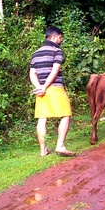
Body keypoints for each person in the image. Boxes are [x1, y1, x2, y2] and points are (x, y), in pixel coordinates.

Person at [29, 26, 75, 157]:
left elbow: (32, 73)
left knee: (42, 118)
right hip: (55, 87)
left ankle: (43, 150)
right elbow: (54, 72)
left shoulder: (36, 53)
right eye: (60, 37)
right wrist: (45, 87)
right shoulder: (57, 51)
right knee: (66, 114)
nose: (61, 40)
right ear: (54, 37)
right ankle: (60, 146)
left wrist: (39, 87)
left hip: (40, 90)